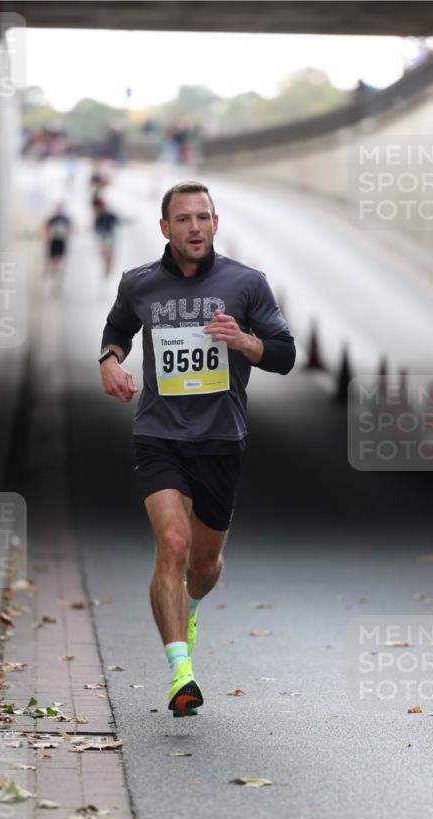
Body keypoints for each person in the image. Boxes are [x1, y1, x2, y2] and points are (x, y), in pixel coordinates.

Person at [99, 181, 295, 716]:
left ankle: (189, 606)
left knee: (203, 565)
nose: (195, 228)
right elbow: (117, 330)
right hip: (158, 435)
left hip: (220, 440)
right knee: (173, 544)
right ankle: (180, 671)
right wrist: (109, 361)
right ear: (165, 227)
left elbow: (284, 354)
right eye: (183, 219)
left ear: (216, 222)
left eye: (203, 218)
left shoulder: (246, 284)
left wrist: (245, 341)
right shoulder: (139, 284)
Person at [43, 203, 72, 280]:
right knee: (52, 257)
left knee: (59, 257)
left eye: (60, 208)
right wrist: (49, 234)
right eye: (57, 208)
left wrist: (67, 234)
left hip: (61, 241)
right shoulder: (52, 218)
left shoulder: (66, 219)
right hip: (53, 241)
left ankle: (56, 271)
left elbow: (70, 229)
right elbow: (46, 228)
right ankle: (52, 271)